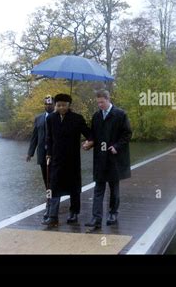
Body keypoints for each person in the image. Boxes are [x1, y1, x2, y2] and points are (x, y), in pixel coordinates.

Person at [84, 89, 132, 229]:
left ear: (108, 99)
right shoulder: (96, 116)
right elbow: (93, 135)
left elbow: (127, 134)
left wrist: (117, 146)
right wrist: (89, 143)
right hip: (99, 158)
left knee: (113, 188)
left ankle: (113, 213)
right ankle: (96, 218)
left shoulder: (120, 115)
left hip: (114, 158)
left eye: (102, 102)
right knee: (98, 188)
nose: (100, 105)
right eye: (98, 103)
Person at [44, 93, 91, 227]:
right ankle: (53, 216)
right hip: (56, 159)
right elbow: (49, 138)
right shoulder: (51, 119)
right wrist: (48, 153)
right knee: (54, 186)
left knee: (74, 187)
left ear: (69, 105)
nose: (61, 108)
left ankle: (74, 212)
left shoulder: (77, 119)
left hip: (72, 159)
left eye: (64, 105)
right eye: (58, 105)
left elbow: (88, 133)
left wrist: (90, 142)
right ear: (55, 105)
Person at [26, 95, 54, 221]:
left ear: (54, 105)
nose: (48, 106)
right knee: (46, 181)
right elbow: (34, 137)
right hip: (42, 155)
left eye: (50, 104)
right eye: (46, 104)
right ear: (44, 105)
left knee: (53, 181)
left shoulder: (58, 117)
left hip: (55, 155)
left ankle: (52, 206)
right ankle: (49, 203)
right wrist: (30, 153)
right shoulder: (39, 118)